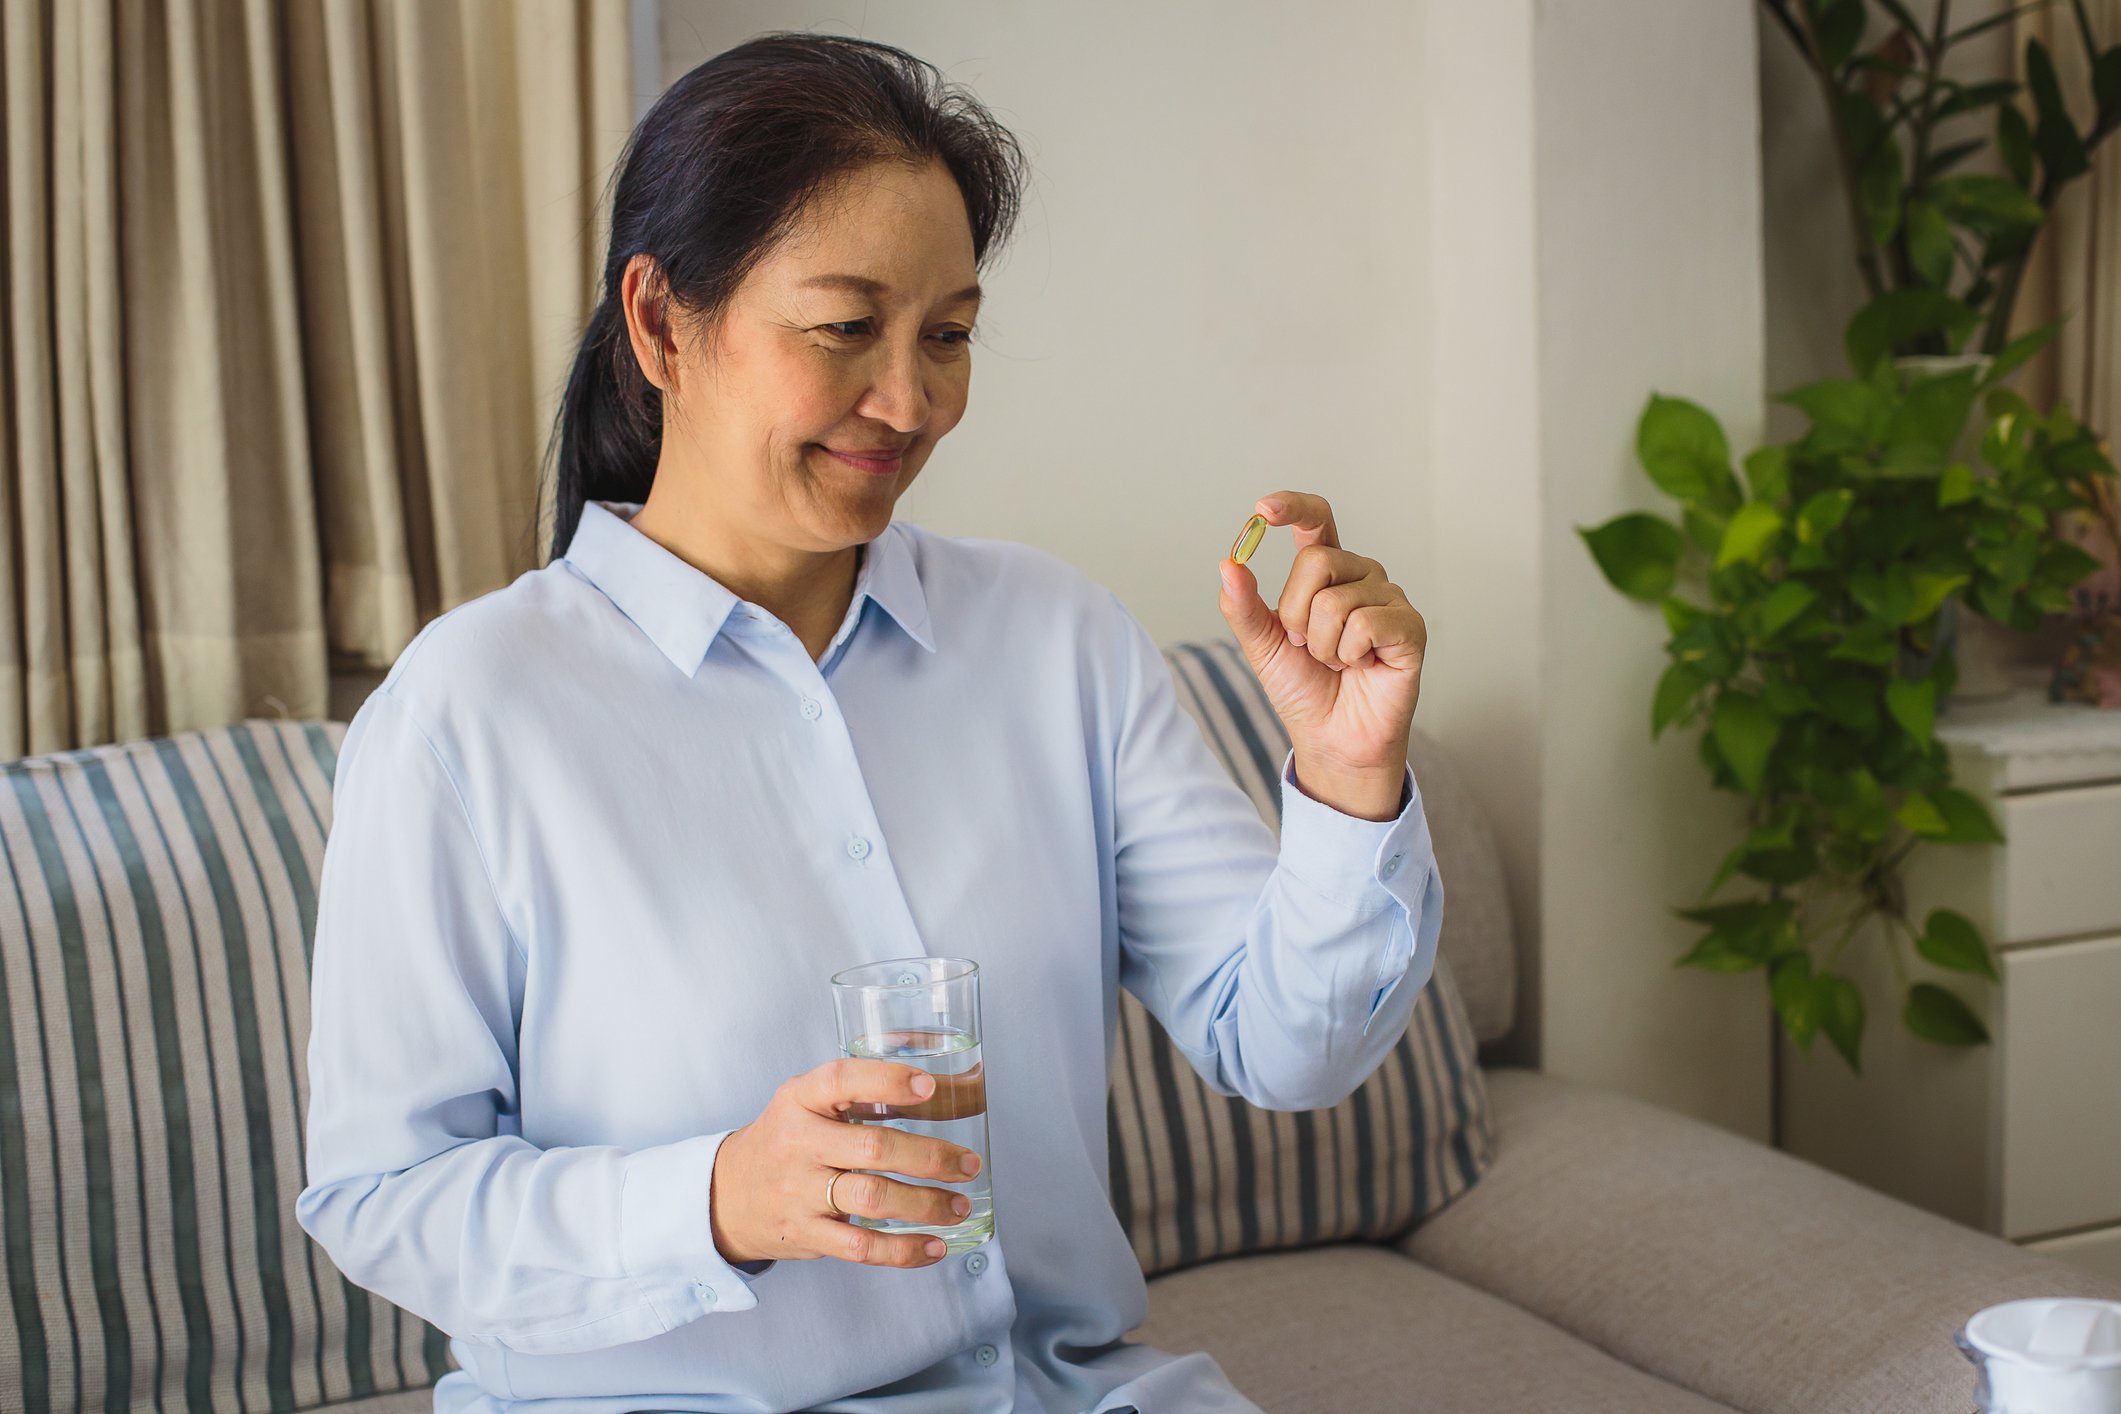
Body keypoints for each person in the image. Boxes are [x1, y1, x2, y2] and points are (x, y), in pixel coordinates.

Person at [296, 30, 1442, 1414]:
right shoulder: (468, 712)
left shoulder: (1053, 640)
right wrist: (715, 1197)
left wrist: (1345, 773)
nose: (911, 401)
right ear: (661, 324)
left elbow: (1288, 1046)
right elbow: (384, 1197)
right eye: (845, 328)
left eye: (947, 334)